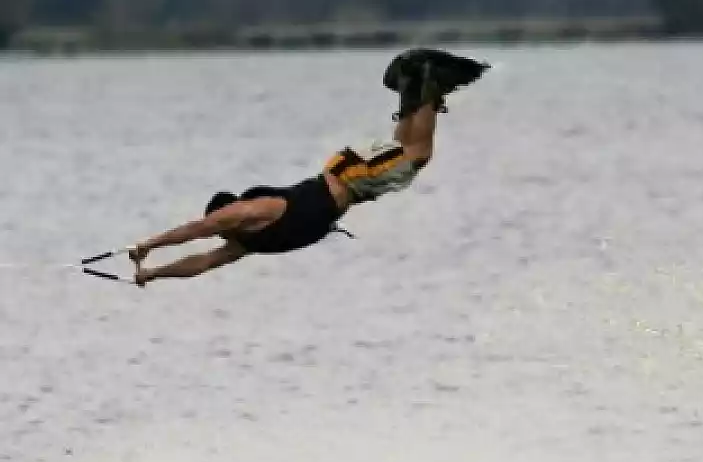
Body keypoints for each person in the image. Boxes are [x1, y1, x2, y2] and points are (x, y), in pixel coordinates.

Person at [128, 48, 487, 286]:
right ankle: (414, 84)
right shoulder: (245, 242)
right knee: (405, 151)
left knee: (417, 154)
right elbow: (202, 263)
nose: (223, 233)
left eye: (223, 225)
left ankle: (427, 79)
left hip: (350, 177)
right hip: (350, 176)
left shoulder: (249, 212)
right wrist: (154, 274)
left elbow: (199, 229)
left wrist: (150, 243)